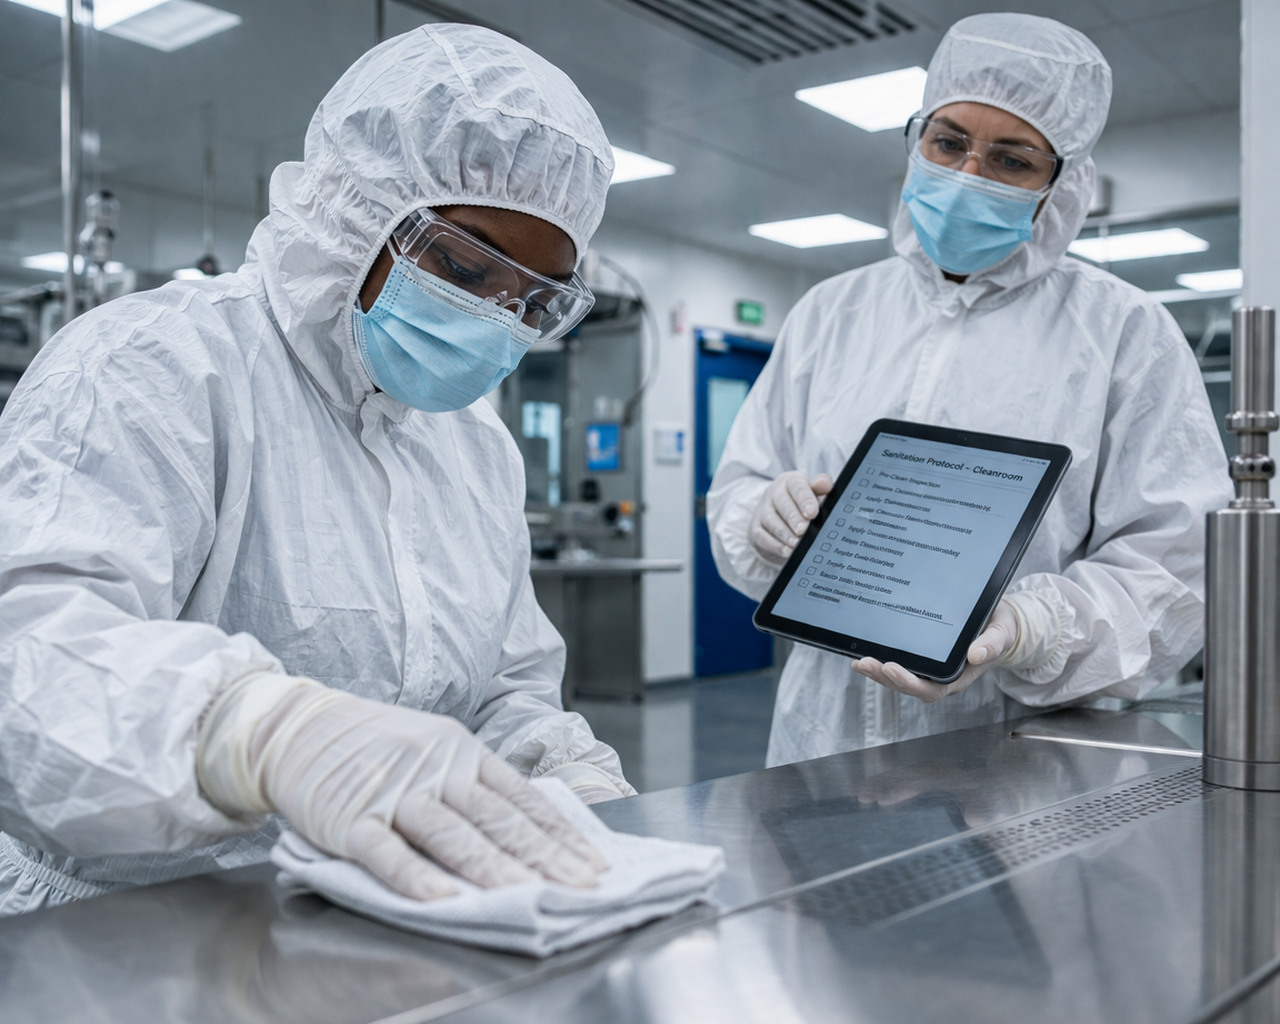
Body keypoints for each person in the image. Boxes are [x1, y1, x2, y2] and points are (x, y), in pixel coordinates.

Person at [0, 23, 636, 916]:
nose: (495, 319)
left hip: (370, 917)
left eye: (532, 299)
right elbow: (29, 654)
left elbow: (503, 684)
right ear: (355, 205)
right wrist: (254, 735)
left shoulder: (476, 446)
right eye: (461, 264)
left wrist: (567, 780)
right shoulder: (154, 367)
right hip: (111, 932)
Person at [708, 12, 1232, 766]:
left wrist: (1034, 627)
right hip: (820, 746)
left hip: (1025, 748)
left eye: (1012, 160)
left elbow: (1177, 564)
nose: (967, 175)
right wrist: (762, 515)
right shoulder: (831, 312)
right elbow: (741, 485)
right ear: (915, 138)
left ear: (1063, 182)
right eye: (948, 142)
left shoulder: (1124, 332)